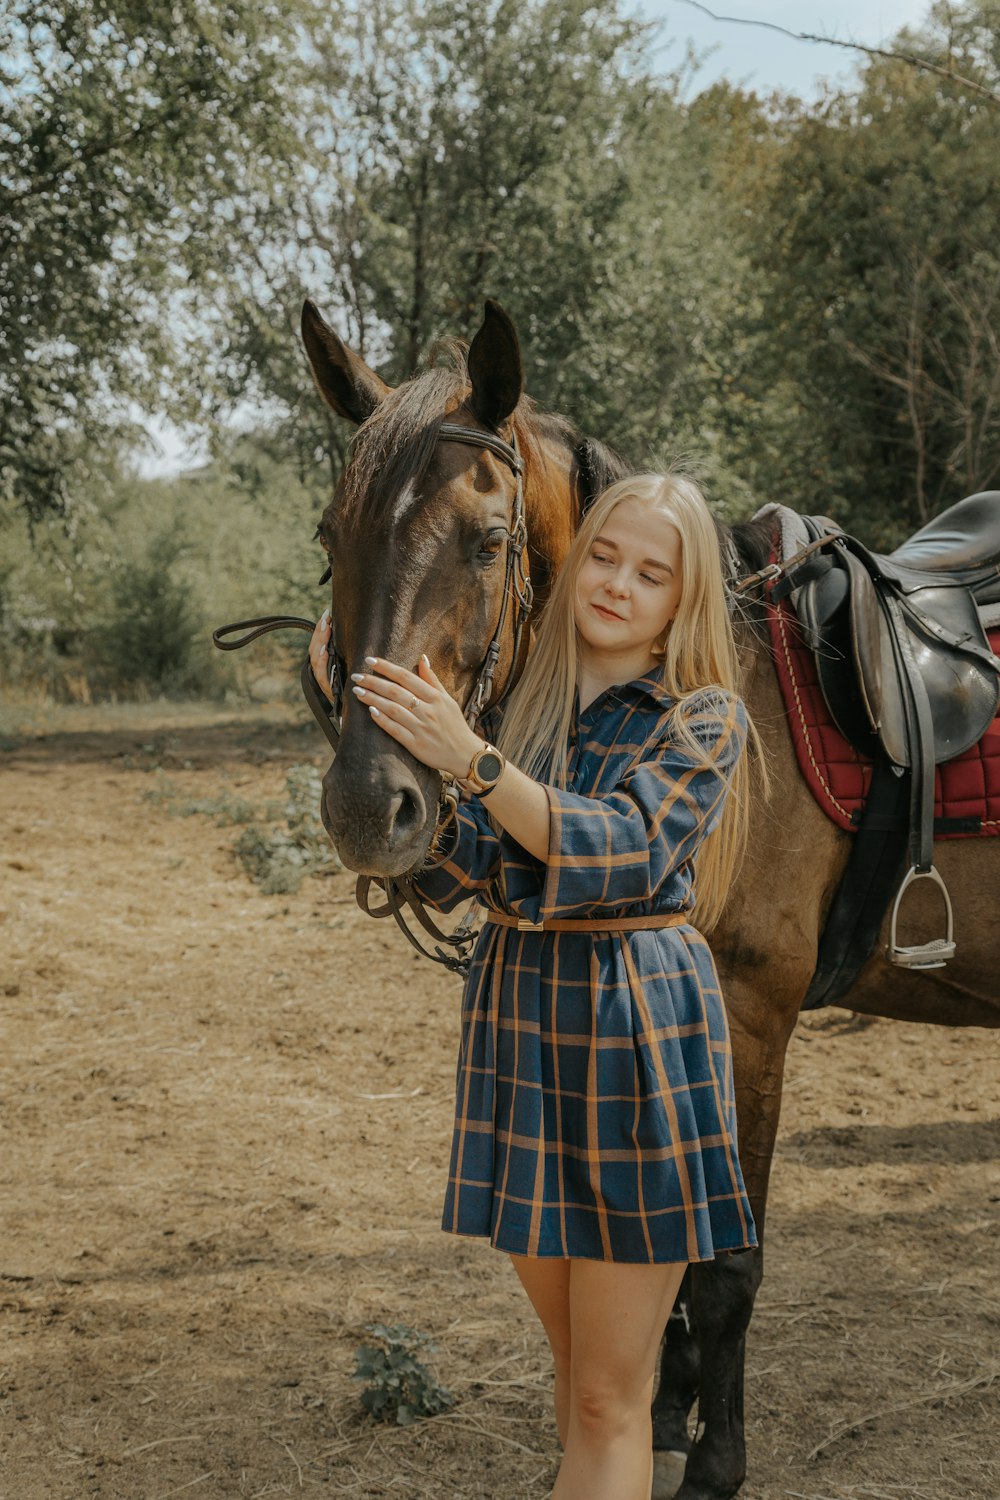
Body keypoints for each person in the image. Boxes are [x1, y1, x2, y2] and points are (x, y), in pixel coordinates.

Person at [309, 472, 759, 1500]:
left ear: (681, 600)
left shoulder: (702, 716)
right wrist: (386, 766)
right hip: (519, 1024)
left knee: (610, 1397)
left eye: (651, 572)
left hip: (633, 1038)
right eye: (603, 555)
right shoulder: (524, 710)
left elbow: (625, 851)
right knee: (578, 1385)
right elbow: (481, 865)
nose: (616, 583)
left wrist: (469, 764)